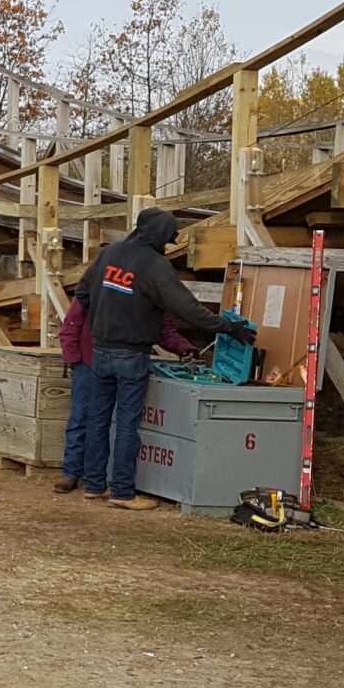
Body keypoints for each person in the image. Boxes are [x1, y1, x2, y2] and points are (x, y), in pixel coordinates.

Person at [75, 207, 255, 511]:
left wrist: (108, 314)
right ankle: (122, 492)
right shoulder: (155, 266)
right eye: (168, 239)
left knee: (98, 420)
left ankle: (94, 485)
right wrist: (229, 328)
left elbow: (82, 293)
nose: (166, 246)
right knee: (128, 426)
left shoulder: (111, 254)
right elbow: (187, 308)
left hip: (101, 350)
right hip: (132, 354)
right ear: (161, 235)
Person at [53, 296, 196, 494]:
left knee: (102, 422)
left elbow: (164, 328)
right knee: (85, 418)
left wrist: (183, 347)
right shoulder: (99, 284)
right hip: (91, 360)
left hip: (110, 359)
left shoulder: (147, 289)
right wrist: (72, 355)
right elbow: (73, 320)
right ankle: (73, 471)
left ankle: (93, 478)